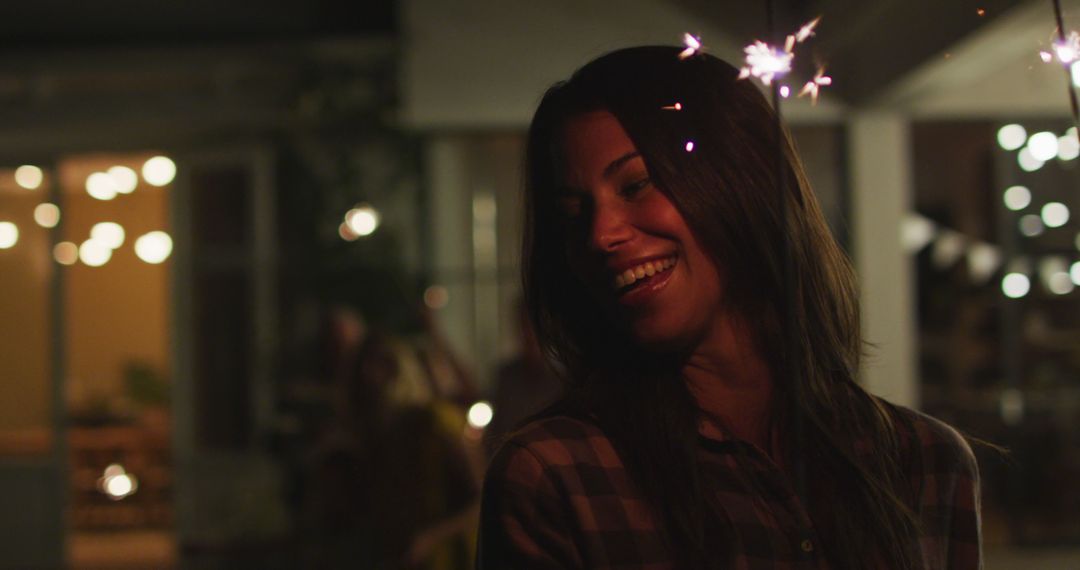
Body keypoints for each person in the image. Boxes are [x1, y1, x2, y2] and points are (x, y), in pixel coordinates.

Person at [477, 46, 981, 570]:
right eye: (572, 214)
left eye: (636, 184)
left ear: (741, 181)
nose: (600, 234)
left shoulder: (924, 462)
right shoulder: (557, 478)